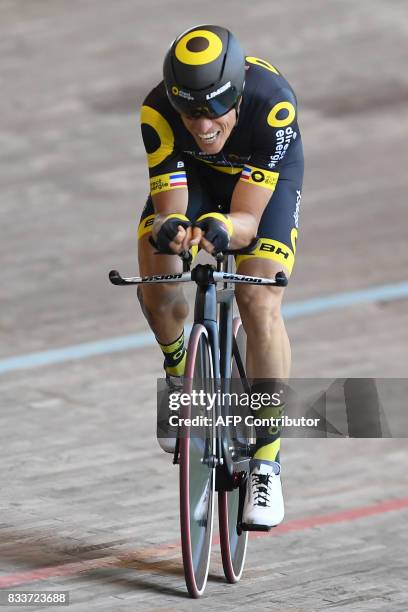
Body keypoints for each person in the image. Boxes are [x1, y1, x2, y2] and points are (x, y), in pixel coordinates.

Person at [137, 25, 304, 529]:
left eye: (214, 110)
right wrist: (171, 231)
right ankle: (177, 374)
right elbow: (169, 206)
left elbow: (248, 223)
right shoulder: (157, 112)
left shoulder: (273, 106)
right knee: (157, 272)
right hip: (197, 182)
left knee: (260, 301)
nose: (201, 124)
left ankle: (267, 460)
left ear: (237, 94)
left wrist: (226, 227)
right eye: (190, 112)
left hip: (260, 190)